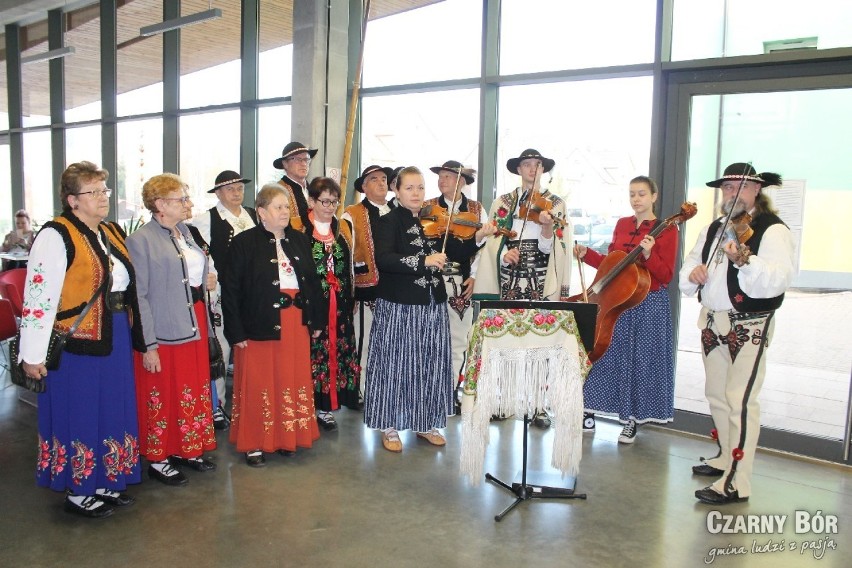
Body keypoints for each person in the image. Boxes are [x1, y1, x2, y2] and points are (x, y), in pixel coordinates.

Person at [20, 161, 143, 518]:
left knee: (112, 407)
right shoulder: (54, 235)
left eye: (104, 190)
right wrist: (32, 354)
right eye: (94, 192)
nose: (103, 197)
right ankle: (78, 489)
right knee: (82, 410)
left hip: (115, 335)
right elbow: (38, 299)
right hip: (78, 344)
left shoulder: (111, 232)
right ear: (73, 200)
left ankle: (105, 479)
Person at [679, 162, 795, 505]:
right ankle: (725, 457)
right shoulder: (714, 227)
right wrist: (695, 275)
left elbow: (779, 279)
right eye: (727, 188)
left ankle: (738, 481)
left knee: (740, 401)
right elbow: (689, 265)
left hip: (749, 326)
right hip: (713, 322)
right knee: (716, 395)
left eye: (739, 187)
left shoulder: (772, 230)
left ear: (756, 190)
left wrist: (746, 261)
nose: (731, 194)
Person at [366, 167, 493, 453]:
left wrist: (476, 239)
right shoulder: (387, 221)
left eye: (421, 188)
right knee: (394, 365)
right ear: (396, 191)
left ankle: (424, 422)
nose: (416, 193)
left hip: (431, 304)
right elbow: (384, 259)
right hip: (398, 305)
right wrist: (423, 261)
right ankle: (389, 425)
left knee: (429, 363)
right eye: (409, 188)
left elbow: (453, 254)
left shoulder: (431, 220)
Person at [221, 184, 326, 467]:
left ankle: (285, 438)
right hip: (258, 323)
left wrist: (317, 319)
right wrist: (236, 331)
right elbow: (230, 291)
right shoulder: (243, 243)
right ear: (262, 212)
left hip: (295, 323)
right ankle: (254, 442)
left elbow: (313, 284)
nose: (284, 212)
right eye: (278, 207)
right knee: (259, 382)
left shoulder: (301, 241)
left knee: (289, 379)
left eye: (287, 207)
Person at [128, 173, 217, 487]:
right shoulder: (140, 240)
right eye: (181, 199)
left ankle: (187, 448)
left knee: (190, 388)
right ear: (160, 204)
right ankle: (159, 457)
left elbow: (195, 270)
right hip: (164, 330)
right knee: (163, 393)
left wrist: (207, 279)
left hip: (193, 323)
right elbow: (138, 295)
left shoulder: (186, 232)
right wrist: (148, 344)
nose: (187, 204)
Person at [473, 148, 573, 428]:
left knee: (541, 340)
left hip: (541, 277)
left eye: (537, 165)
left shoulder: (555, 204)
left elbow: (556, 246)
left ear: (543, 170)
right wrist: (503, 253)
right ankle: (505, 402)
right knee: (506, 338)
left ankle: (540, 406)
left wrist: (546, 230)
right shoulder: (503, 202)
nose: (532, 169)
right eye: (527, 165)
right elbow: (492, 238)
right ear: (519, 169)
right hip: (509, 276)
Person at [574, 176, 678, 444]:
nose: (636, 199)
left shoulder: (667, 230)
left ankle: (631, 419)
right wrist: (587, 254)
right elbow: (612, 264)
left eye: (642, 194)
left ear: (654, 197)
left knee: (639, 361)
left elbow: (665, 275)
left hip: (648, 303)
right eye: (632, 194)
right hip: (616, 300)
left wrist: (648, 256)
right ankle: (590, 409)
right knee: (604, 353)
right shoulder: (622, 224)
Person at [191, 170, 258, 431]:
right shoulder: (206, 220)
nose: (236, 192)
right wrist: (212, 279)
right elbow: (201, 256)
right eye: (230, 188)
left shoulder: (253, 215)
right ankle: (215, 405)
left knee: (250, 347)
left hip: (252, 293)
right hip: (222, 292)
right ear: (218, 193)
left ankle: (249, 401)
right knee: (221, 348)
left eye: (240, 187)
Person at [424, 160, 493, 390]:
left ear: (461, 181)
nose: (442, 180)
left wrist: (474, 276)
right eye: (441, 176)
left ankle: (451, 389)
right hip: (432, 280)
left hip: (460, 281)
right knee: (430, 338)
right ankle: (431, 389)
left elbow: (484, 248)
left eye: (448, 176)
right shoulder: (428, 208)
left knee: (458, 339)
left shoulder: (475, 210)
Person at [305, 177, 359, 431]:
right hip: (313, 305)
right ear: (312, 201)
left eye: (334, 202)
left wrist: (351, 297)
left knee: (335, 353)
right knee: (313, 353)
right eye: (324, 201)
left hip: (340, 305)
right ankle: (308, 406)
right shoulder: (300, 229)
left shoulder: (343, 228)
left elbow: (348, 266)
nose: (329, 207)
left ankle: (326, 407)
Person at [342, 164, 393, 404]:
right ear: (363, 186)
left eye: (384, 178)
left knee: (390, 343)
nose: (381, 183)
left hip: (394, 291)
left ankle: (385, 389)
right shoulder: (352, 214)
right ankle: (360, 389)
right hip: (365, 289)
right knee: (364, 341)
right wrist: (350, 293)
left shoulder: (397, 210)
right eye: (374, 179)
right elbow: (345, 253)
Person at [274, 141, 317, 232]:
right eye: (298, 159)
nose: (304, 164)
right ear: (285, 164)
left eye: (306, 159)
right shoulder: (277, 191)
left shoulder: (315, 189)